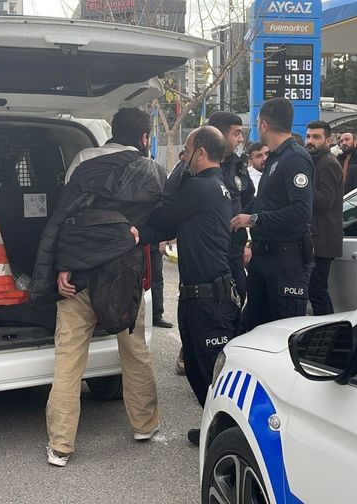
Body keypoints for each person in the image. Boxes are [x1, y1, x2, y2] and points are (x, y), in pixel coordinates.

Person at [30, 108, 164, 467]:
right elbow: (159, 219)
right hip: (123, 276)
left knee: (69, 360)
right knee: (133, 351)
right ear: (145, 137)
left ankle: (60, 445)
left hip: (78, 277)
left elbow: (64, 218)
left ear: (112, 132)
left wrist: (61, 267)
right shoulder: (150, 171)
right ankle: (144, 424)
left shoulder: (83, 161)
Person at [139, 125, 239, 447]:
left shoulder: (201, 187)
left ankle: (231, 436)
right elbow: (173, 226)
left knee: (212, 371)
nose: (184, 158)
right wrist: (141, 236)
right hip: (199, 295)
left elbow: (164, 213)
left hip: (210, 297)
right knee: (196, 369)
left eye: (186, 151)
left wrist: (139, 228)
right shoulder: (214, 187)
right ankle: (214, 427)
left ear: (201, 152)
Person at [230, 97, 314, 332]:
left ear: (264, 124)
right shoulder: (276, 157)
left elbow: (301, 212)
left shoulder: (295, 158)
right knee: (254, 328)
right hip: (264, 258)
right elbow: (265, 202)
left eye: (257, 122)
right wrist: (236, 214)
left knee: (281, 333)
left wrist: (253, 220)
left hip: (287, 262)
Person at [207, 112, 253, 304]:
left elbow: (249, 200)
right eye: (236, 133)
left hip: (233, 249)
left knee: (237, 296)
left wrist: (248, 242)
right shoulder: (196, 163)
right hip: (207, 250)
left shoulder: (239, 166)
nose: (241, 138)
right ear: (219, 134)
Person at [304, 121, 343, 315]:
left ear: (328, 140)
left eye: (316, 137)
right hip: (316, 238)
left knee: (317, 291)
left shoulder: (328, 163)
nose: (310, 141)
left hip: (322, 240)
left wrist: (302, 184)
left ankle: (328, 336)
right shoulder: (315, 161)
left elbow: (326, 201)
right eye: (308, 136)